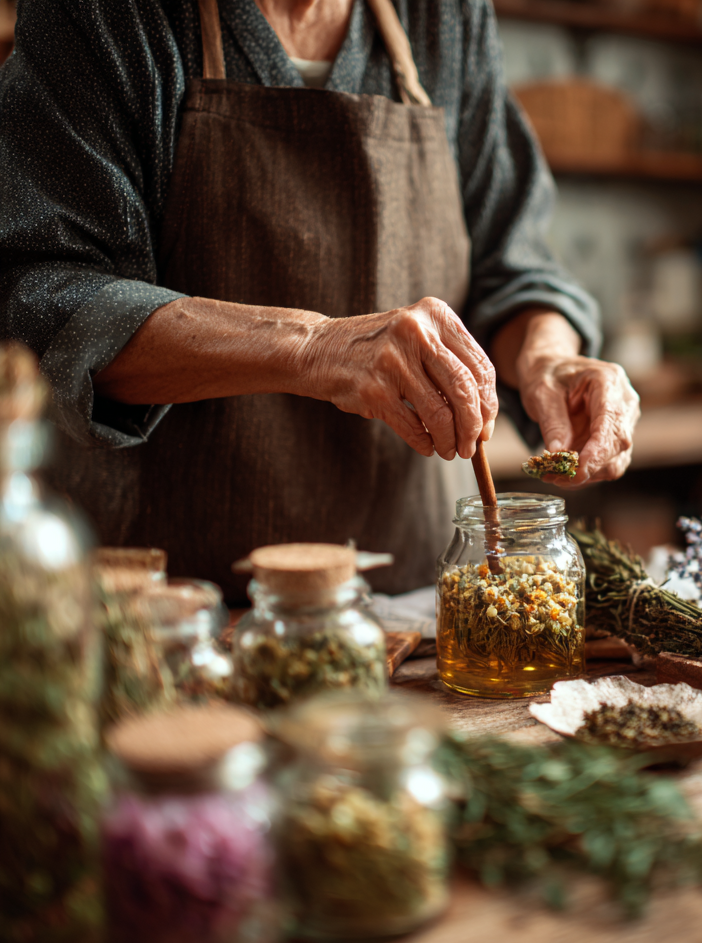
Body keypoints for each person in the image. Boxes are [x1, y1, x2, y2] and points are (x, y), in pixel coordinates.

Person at [0, 0, 639, 600]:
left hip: (412, 599)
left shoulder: (443, 15)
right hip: (168, 608)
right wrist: (311, 346)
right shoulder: (102, 15)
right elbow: (41, 300)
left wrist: (547, 356)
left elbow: (512, 261)